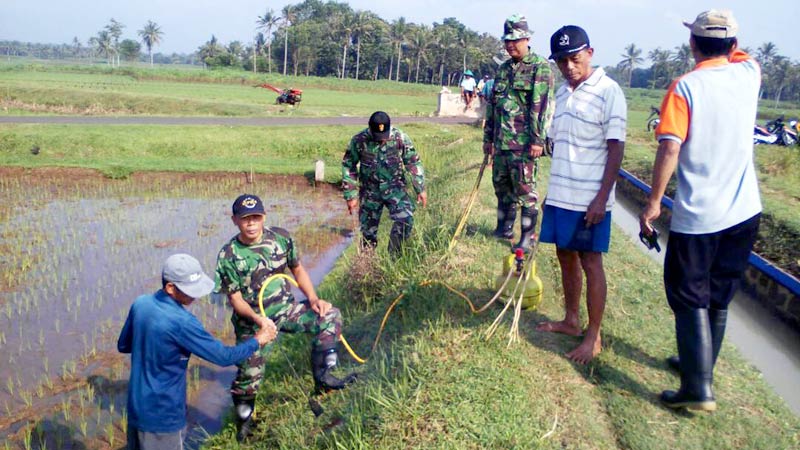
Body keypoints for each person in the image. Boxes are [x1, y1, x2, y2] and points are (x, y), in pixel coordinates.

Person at [639, 9, 761, 411]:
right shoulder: (750, 75)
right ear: (732, 44)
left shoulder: (684, 88)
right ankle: (699, 365)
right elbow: (742, 56)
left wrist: (654, 202)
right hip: (745, 212)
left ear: (692, 44)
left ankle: (697, 389)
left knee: (689, 295)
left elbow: (670, 146)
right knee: (720, 294)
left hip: (700, 216)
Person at [214, 194, 357, 441]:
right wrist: (260, 322)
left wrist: (313, 299)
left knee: (329, 316)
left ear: (264, 217)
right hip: (253, 324)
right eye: (245, 219)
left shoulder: (280, 238)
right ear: (235, 220)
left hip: (285, 310)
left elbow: (298, 269)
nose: (251, 223)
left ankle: (324, 380)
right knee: (249, 377)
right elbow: (235, 299)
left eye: (256, 217)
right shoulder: (228, 254)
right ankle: (244, 423)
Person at [535, 26, 627, 365]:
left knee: (591, 261)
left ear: (590, 52)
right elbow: (561, 147)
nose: (569, 66)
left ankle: (593, 336)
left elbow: (616, 148)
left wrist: (602, 197)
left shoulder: (609, 91)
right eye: (561, 61)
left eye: (574, 58)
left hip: (590, 198)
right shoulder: (563, 92)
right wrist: (551, 193)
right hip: (562, 193)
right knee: (564, 255)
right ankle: (571, 320)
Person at [118, 253, 276, 450]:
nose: (194, 295)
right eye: (189, 290)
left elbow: (123, 346)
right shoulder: (182, 322)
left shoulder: (141, 303)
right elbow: (224, 357)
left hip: (136, 408)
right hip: (164, 416)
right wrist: (258, 339)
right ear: (170, 287)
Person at [483, 14, 554, 250]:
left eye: (515, 40)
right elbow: (493, 106)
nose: (510, 44)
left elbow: (541, 107)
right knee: (502, 188)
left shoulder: (539, 67)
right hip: (502, 143)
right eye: (507, 41)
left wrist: (537, 140)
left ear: (527, 38)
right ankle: (503, 229)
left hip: (524, 145)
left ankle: (526, 237)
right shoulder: (503, 69)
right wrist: (488, 139)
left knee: (525, 191)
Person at [342, 111, 427, 254]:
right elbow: (348, 165)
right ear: (369, 129)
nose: (381, 140)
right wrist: (351, 195)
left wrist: (420, 188)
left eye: (383, 137)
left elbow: (412, 162)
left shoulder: (400, 137)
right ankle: (367, 266)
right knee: (368, 235)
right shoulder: (359, 140)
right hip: (370, 192)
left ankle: (394, 257)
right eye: (377, 137)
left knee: (405, 219)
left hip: (395, 189)